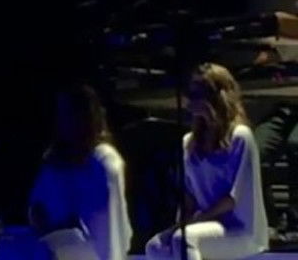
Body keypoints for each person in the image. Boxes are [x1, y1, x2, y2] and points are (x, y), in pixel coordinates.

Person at [145, 62, 269, 260]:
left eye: (197, 94)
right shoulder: (189, 142)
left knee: (184, 239)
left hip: (240, 230)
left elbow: (232, 199)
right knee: (155, 246)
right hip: (205, 223)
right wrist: (181, 223)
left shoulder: (240, 137)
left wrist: (195, 221)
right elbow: (190, 197)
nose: (190, 100)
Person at [21, 84, 131, 260]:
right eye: (62, 113)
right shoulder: (55, 161)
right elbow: (38, 206)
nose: (65, 121)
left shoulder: (104, 160)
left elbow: (104, 223)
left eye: (71, 113)